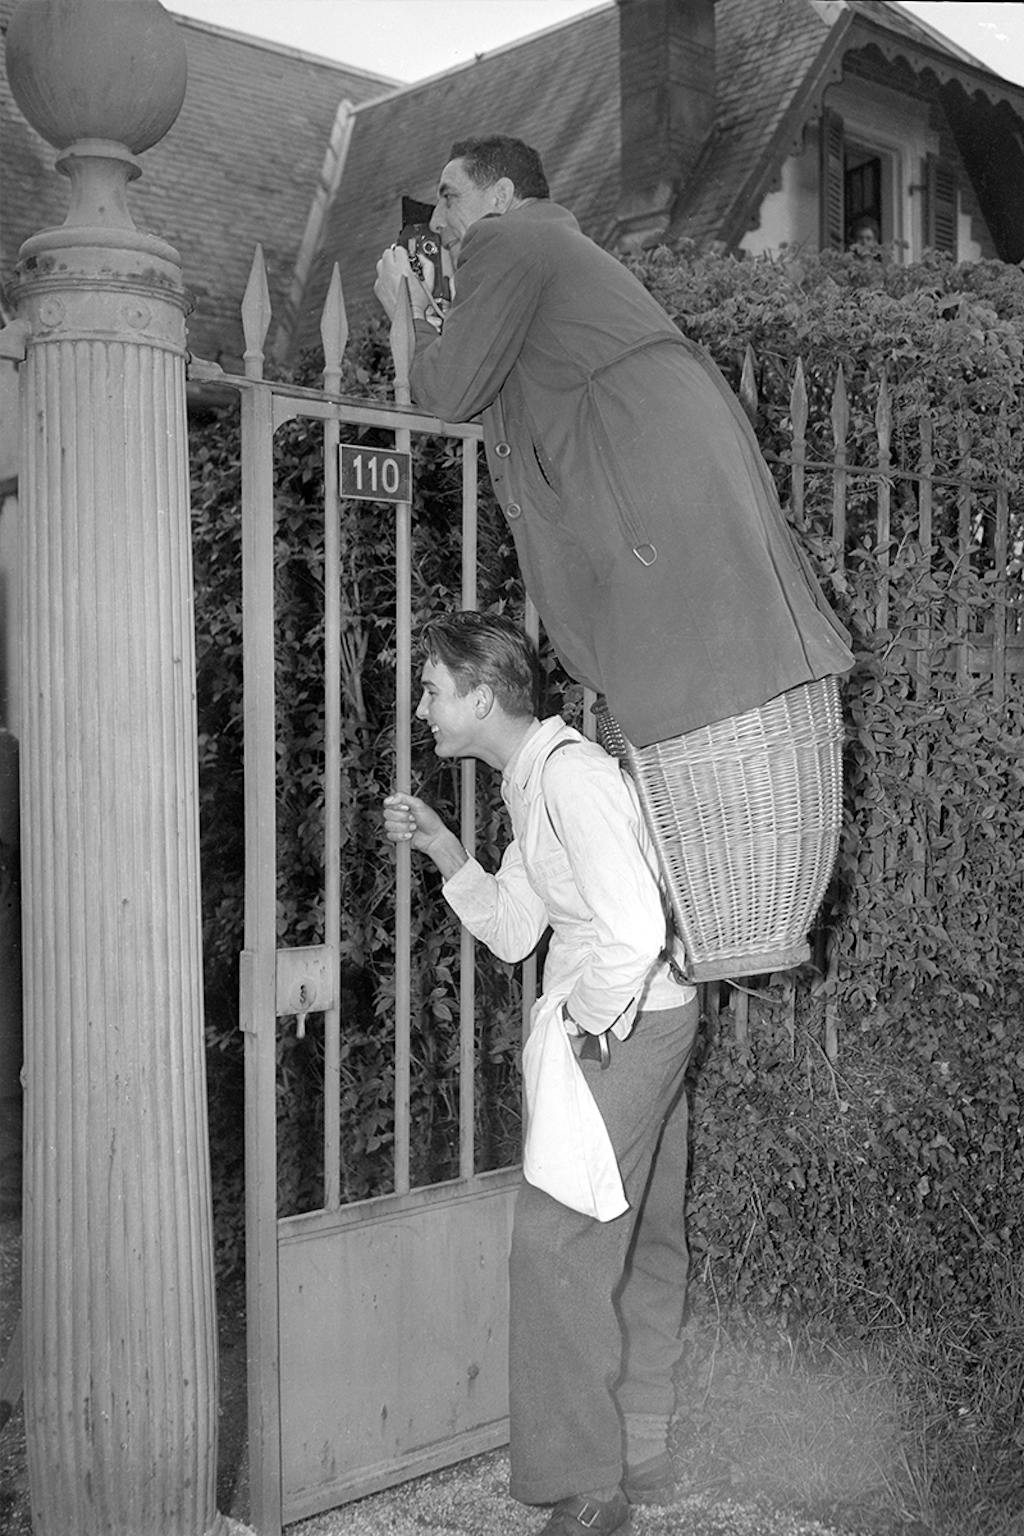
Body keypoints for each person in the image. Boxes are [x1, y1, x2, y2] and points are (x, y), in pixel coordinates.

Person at [374, 136, 854, 750]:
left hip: (643, 476)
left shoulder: (506, 239)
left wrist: (405, 313)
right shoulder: (556, 246)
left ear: (500, 197)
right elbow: (491, 372)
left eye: (448, 198)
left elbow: (447, 392)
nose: (437, 222)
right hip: (680, 459)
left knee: (666, 686)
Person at [383, 611, 701, 1536]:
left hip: (629, 1025)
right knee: (639, 1226)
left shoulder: (573, 780)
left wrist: (597, 1025)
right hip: (650, 1020)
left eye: (434, 689)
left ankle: (589, 1485)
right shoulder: (537, 783)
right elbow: (522, 928)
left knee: (555, 1247)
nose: (422, 707)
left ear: (483, 698)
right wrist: (447, 849)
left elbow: (635, 933)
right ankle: (641, 1443)